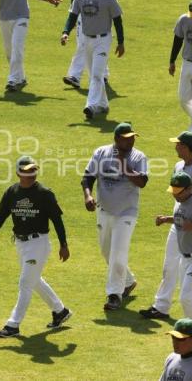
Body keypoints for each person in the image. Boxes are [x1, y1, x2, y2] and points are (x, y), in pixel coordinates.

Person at [0, 155, 72, 337]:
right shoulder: (12, 192)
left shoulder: (45, 194)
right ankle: (60, 311)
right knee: (34, 280)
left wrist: (63, 244)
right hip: (21, 244)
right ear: (18, 173)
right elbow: (1, 216)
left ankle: (13, 325)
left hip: (38, 243)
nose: (30, 175)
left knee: (25, 283)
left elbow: (57, 220)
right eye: (26, 171)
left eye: (33, 171)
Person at [81, 123, 148, 310]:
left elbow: (142, 182)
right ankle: (128, 281)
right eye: (127, 138)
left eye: (133, 137)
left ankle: (114, 295)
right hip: (104, 210)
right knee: (106, 251)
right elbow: (87, 177)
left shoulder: (138, 156)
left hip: (127, 212)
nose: (132, 140)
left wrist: (123, 164)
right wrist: (87, 195)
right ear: (117, 139)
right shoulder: (101, 152)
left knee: (118, 253)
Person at [140, 132, 192, 319]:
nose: (175, 147)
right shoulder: (178, 165)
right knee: (169, 264)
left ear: (187, 147)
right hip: (178, 222)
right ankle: (162, 305)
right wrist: (171, 218)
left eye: (179, 144)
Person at [61, 0, 124, 120]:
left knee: (96, 75)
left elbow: (118, 21)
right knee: (93, 74)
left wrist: (121, 42)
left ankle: (91, 106)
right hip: (87, 39)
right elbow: (72, 16)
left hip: (103, 40)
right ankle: (103, 104)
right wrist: (65, 32)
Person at [155, 172, 192, 346]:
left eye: (179, 191)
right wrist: (166, 219)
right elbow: (181, 220)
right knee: (188, 298)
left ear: (189, 189)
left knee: (187, 296)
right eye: (173, 190)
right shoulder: (180, 202)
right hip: (186, 259)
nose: (175, 194)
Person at [63, 0, 120, 89]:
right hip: (84, 18)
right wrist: (73, 19)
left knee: (96, 45)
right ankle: (100, 75)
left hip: (102, 18)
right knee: (86, 45)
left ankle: (76, 76)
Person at [169, 0, 192, 137]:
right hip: (187, 63)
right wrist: (172, 61)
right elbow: (177, 40)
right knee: (183, 98)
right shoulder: (183, 20)